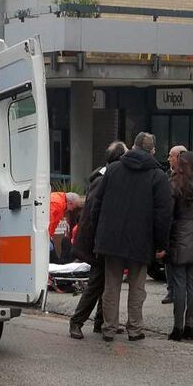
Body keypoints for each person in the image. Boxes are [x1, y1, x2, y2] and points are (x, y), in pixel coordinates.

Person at [91, 132, 172, 342]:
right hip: (141, 239)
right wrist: (161, 243)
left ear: (133, 147)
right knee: (137, 286)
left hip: (111, 238)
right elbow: (163, 214)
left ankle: (108, 328)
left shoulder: (113, 169)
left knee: (111, 285)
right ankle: (135, 329)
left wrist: (97, 233)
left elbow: (96, 204)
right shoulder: (158, 176)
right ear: (152, 150)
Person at [69, 141, 128, 339]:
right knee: (97, 283)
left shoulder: (105, 175)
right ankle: (76, 322)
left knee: (107, 282)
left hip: (102, 239)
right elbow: (94, 214)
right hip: (98, 241)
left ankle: (100, 322)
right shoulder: (103, 179)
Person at [166, 151, 193, 341]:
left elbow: (168, 216)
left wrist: (164, 240)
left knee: (178, 285)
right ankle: (190, 326)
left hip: (178, 237)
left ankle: (177, 327)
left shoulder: (175, 185)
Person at [162, 144, 188, 305]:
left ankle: (175, 291)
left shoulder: (186, 179)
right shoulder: (167, 175)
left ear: (178, 157)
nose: (168, 158)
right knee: (169, 260)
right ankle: (171, 290)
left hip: (180, 224)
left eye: (171, 155)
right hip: (175, 225)